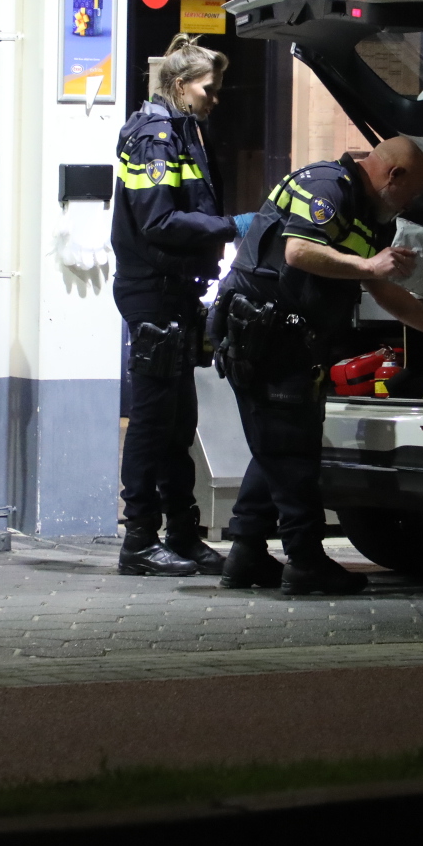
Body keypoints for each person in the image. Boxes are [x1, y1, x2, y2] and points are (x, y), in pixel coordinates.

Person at [212, 136, 423, 595]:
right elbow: (298, 252)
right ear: (393, 176)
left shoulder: (373, 217)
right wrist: (369, 268)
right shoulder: (327, 186)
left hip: (293, 339)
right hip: (265, 334)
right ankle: (305, 562)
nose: (414, 202)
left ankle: (246, 551)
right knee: (293, 451)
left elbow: (384, 290)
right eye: (413, 191)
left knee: (277, 444)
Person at [111, 34, 244, 577]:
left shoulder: (184, 130)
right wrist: (236, 226)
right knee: (151, 420)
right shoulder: (156, 136)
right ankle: (139, 540)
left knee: (177, 419)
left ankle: (183, 534)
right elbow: (159, 220)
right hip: (155, 290)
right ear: (181, 85)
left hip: (176, 291)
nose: (216, 98)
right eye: (209, 88)